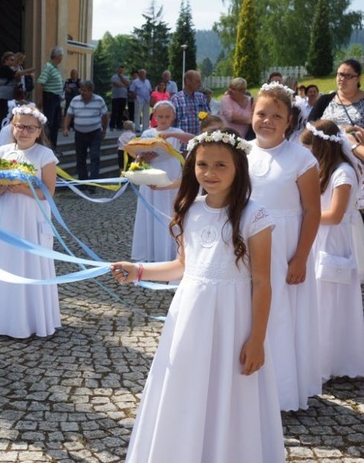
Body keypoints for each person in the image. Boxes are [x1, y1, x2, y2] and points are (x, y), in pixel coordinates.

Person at [111, 129, 284, 463]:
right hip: (190, 318)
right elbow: (182, 266)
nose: (210, 173)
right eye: (202, 165)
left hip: (233, 321)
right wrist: (139, 271)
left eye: (221, 165)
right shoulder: (190, 209)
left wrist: (257, 339)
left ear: (238, 169)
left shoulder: (255, 216)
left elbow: (262, 283)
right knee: (184, 388)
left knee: (229, 391)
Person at [247, 81, 321, 411]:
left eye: (276, 115)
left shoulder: (301, 158)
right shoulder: (241, 151)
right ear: (252, 114)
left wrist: (301, 258)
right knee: (250, 312)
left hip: (285, 246)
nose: (267, 121)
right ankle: (248, 384)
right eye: (262, 113)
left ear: (289, 120)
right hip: (248, 244)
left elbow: (312, 211)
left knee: (281, 314)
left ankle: (281, 391)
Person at [0, 105, 60, 338]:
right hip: (7, 215)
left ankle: (32, 319)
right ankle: (1, 317)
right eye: (19, 126)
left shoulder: (44, 155)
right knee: (6, 258)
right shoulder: (4, 151)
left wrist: (22, 187)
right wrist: (2, 186)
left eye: (29, 128)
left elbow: (49, 191)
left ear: (38, 131)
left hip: (32, 214)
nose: (23, 131)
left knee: (30, 261)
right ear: (12, 127)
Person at [300, 120, 364, 382]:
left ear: (322, 147)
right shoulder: (324, 170)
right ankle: (316, 356)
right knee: (319, 299)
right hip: (320, 236)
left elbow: (336, 214)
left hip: (334, 239)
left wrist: (302, 216)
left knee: (330, 300)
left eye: (310, 149)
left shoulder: (343, 173)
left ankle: (329, 361)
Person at [130, 101, 187, 262]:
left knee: (169, 210)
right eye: (160, 116)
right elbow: (138, 156)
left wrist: (173, 136)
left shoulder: (176, 132)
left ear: (173, 117)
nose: (163, 120)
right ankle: (150, 251)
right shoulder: (148, 132)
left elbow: (188, 140)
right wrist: (142, 157)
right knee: (150, 209)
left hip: (170, 171)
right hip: (151, 170)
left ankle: (169, 251)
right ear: (154, 116)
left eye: (167, 116)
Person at [62, 80, 109, 193]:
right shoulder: (75, 100)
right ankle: (83, 183)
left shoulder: (99, 100)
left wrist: (104, 129)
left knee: (94, 157)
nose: (82, 92)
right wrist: (65, 127)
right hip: (79, 133)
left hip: (94, 133)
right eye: (81, 90)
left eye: (85, 90)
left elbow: (105, 115)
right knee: (80, 159)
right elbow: (69, 115)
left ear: (91, 91)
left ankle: (92, 184)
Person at [310, 59, 364, 134]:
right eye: (340, 74)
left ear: (358, 78)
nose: (342, 79)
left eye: (348, 76)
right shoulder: (325, 100)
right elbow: (310, 126)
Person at [0, 51, 33, 133]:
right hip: (3, 94)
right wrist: (30, 70)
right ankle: (2, 128)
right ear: (5, 60)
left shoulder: (11, 69)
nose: (13, 61)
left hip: (10, 94)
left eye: (14, 59)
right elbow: (16, 74)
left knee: (8, 111)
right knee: (3, 112)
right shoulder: (4, 68)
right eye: (11, 60)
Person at [36, 46, 65, 151]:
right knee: (49, 123)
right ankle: (47, 146)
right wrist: (40, 99)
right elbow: (40, 83)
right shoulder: (49, 67)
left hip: (56, 98)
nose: (62, 58)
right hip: (50, 98)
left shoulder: (54, 68)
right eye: (61, 56)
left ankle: (53, 147)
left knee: (55, 123)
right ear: (58, 56)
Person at [171, 70, 210, 136]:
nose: (200, 84)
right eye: (197, 81)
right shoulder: (176, 99)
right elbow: (171, 122)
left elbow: (208, 117)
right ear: (188, 81)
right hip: (181, 142)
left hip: (198, 140)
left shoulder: (201, 97)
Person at [110, 65, 130, 130]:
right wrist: (124, 84)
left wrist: (121, 78)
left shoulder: (126, 77)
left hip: (123, 96)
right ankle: (112, 125)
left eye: (122, 69)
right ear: (118, 70)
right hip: (115, 97)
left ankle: (119, 125)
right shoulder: (114, 77)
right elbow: (117, 84)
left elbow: (128, 84)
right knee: (114, 111)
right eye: (120, 69)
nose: (121, 71)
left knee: (121, 112)